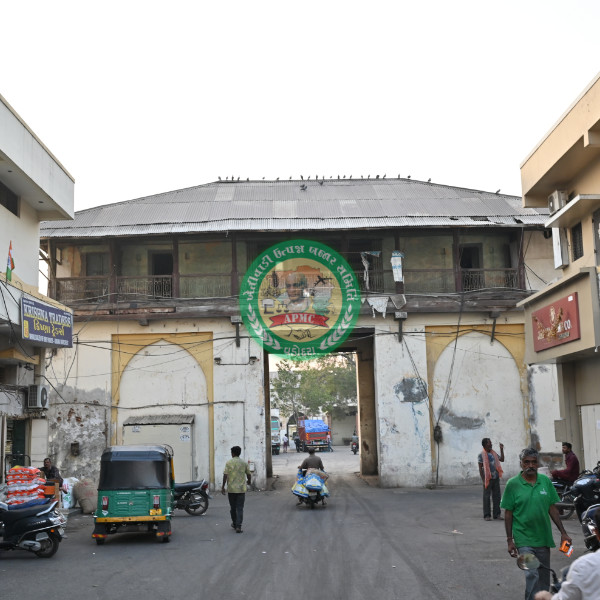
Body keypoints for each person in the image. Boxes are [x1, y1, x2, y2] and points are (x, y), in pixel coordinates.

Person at [500, 447, 572, 600]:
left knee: (543, 579)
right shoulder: (513, 484)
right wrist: (510, 540)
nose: (530, 465)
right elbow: (508, 513)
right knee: (532, 574)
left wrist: (563, 533)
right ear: (521, 463)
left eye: (533, 462)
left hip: (543, 538)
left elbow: (552, 508)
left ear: (538, 463)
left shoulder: (545, 481)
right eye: (526, 462)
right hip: (523, 539)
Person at [534, 508, 600, 599]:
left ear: (596, 533)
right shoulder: (582, 566)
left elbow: (565, 597)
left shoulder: (583, 566)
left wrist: (545, 597)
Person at [221, 446, 252, 534]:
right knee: (240, 508)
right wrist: (249, 481)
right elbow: (249, 474)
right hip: (241, 489)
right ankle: (238, 526)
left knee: (233, 508)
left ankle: (234, 523)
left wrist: (223, 487)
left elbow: (225, 475)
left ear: (233, 453)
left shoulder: (229, 462)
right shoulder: (244, 463)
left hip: (231, 489)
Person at [478, 438, 505, 521]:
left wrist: (501, 449)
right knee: (486, 497)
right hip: (488, 479)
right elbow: (480, 468)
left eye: (491, 443)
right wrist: (483, 480)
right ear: (485, 445)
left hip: (495, 478)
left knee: (497, 497)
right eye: (489, 443)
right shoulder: (481, 455)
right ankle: (487, 515)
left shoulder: (493, 453)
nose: (491, 444)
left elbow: (502, 459)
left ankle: (497, 514)